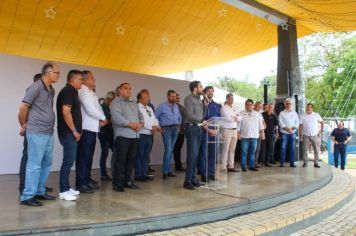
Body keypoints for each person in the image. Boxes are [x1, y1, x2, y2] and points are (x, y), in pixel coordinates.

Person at [18, 62, 59, 206]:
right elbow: (23, 107)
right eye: (56, 73)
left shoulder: (51, 89)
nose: (58, 75)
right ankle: (27, 196)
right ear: (48, 73)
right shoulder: (35, 87)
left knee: (46, 163)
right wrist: (24, 124)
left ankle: (39, 191)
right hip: (36, 132)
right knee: (34, 165)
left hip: (48, 132)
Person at [76, 71, 107, 193]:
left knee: (89, 156)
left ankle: (86, 179)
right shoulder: (83, 90)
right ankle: (81, 182)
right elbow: (89, 109)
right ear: (84, 79)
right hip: (86, 127)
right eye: (91, 78)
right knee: (83, 157)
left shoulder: (91, 92)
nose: (94, 79)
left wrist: (102, 117)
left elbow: (98, 108)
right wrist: (103, 118)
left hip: (93, 128)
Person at [110, 82, 144, 192]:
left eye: (130, 88)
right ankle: (117, 184)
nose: (128, 90)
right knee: (120, 161)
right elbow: (117, 118)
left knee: (131, 160)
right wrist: (131, 124)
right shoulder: (115, 102)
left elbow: (141, 116)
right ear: (119, 90)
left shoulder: (134, 103)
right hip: (122, 136)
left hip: (135, 136)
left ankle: (127, 181)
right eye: (125, 88)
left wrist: (141, 124)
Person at [56, 70, 83, 201]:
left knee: (69, 161)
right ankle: (63, 190)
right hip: (68, 133)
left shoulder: (72, 92)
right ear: (72, 79)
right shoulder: (67, 91)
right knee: (67, 162)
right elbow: (66, 112)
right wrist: (74, 131)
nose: (82, 83)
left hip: (71, 134)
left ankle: (66, 187)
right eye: (80, 80)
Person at [183, 81, 205, 190]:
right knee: (192, 155)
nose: (202, 88)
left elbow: (202, 115)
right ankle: (187, 181)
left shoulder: (200, 100)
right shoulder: (188, 99)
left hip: (199, 128)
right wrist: (201, 120)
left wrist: (205, 106)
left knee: (195, 155)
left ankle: (193, 178)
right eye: (201, 86)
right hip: (191, 128)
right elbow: (189, 115)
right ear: (195, 88)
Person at [135, 89, 161, 182]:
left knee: (146, 155)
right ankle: (138, 174)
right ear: (140, 99)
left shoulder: (149, 108)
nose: (148, 98)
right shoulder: (137, 107)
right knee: (139, 155)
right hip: (141, 134)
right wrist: (152, 128)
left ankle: (144, 173)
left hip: (149, 135)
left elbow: (154, 118)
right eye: (146, 97)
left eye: (148, 97)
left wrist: (155, 126)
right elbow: (141, 121)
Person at [155, 90, 181, 179]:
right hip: (167, 129)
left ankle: (168, 170)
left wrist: (178, 125)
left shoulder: (176, 106)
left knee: (171, 150)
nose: (174, 98)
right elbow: (154, 116)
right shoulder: (162, 106)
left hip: (175, 129)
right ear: (168, 96)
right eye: (172, 96)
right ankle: (165, 172)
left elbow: (179, 117)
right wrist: (159, 127)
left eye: (175, 96)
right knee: (168, 150)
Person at [198, 86, 221, 182]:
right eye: (208, 91)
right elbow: (199, 119)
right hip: (204, 132)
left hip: (214, 133)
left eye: (212, 91)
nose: (211, 93)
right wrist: (208, 130)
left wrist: (217, 129)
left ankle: (211, 173)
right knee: (203, 154)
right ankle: (204, 174)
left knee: (213, 154)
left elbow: (219, 119)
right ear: (204, 92)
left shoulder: (217, 105)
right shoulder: (200, 103)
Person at [238, 99, 264, 172]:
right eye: (247, 104)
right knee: (244, 151)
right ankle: (243, 166)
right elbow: (238, 125)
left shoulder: (257, 114)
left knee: (252, 152)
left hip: (254, 136)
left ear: (253, 105)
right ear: (245, 105)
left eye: (250, 104)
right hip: (244, 136)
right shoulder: (241, 113)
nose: (249, 106)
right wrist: (238, 133)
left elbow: (261, 125)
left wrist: (262, 133)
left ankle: (251, 166)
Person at [220, 93, 241, 172]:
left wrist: (235, 117)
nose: (232, 100)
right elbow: (228, 118)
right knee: (225, 149)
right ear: (227, 99)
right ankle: (223, 167)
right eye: (230, 98)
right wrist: (235, 117)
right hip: (227, 130)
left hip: (234, 130)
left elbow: (240, 117)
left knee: (232, 149)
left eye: (232, 98)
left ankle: (231, 166)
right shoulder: (224, 108)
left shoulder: (235, 108)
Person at [299, 103, 324, 168]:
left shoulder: (316, 115)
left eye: (310, 107)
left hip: (314, 134)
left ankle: (316, 163)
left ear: (312, 108)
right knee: (305, 149)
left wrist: (321, 131)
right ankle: (305, 162)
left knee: (316, 149)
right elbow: (300, 125)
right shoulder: (303, 115)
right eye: (307, 107)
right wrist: (300, 134)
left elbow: (322, 122)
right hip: (305, 134)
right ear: (306, 108)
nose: (308, 108)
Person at [98, 91, 116, 181]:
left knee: (116, 151)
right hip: (104, 133)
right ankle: (103, 174)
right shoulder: (102, 108)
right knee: (105, 153)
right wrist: (112, 120)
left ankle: (115, 172)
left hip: (111, 133)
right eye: (113, 100)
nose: (114, 102)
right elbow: (103, 122)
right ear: (108, 99)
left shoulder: (111, 107)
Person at [278, 98, 299, 167]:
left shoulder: (294, 113)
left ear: (291, 104)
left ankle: (292, 162)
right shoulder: (281, 113)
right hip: (284, 133)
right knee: (283, 148)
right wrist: (287, 129)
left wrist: (292, 129)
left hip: (292, 133)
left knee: (292, 148)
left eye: (289, 103)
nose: (288, 105)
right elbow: (280, 123)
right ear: (285, 104)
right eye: (287, 103)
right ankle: (282, 162)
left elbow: (297, 123)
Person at [173, 93, 186, 172]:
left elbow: (185, 118)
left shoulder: (181, 107)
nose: (178, 99)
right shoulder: (171, 107)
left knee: (178, 149)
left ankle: (178, 166)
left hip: (181, 132)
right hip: (174, 131)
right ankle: (168, 168)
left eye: (178, 98)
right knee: (172, 149)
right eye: (176, 98)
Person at [253, 101, 264, 168]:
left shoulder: (260, 114)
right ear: (254, 106)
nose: (259, 108)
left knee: (257, 149)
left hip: (259, 134)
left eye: (260, 107)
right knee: (252, 150)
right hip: (252, 134)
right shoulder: (252, 112)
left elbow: (263, 123)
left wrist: (262, 131)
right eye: (258, 106)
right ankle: (251, 163)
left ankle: (255, 162)